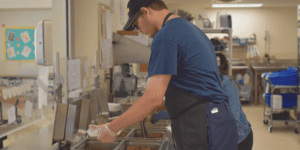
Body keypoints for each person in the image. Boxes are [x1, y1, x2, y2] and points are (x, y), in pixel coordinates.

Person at [90, 0, 238, 149]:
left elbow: (153, 97)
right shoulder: (188, 28)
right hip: (216, 121)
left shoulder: (165, 36)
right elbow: (195, 88)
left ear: (146, 12)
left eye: (136, 23)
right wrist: (142, 112)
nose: (138, 30)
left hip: (202, 124)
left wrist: (111, 129)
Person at [150, 53, 254, 150]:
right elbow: (182, 106)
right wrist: (154, 117)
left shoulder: (227, 84)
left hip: (240, 140)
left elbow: (233, 120)